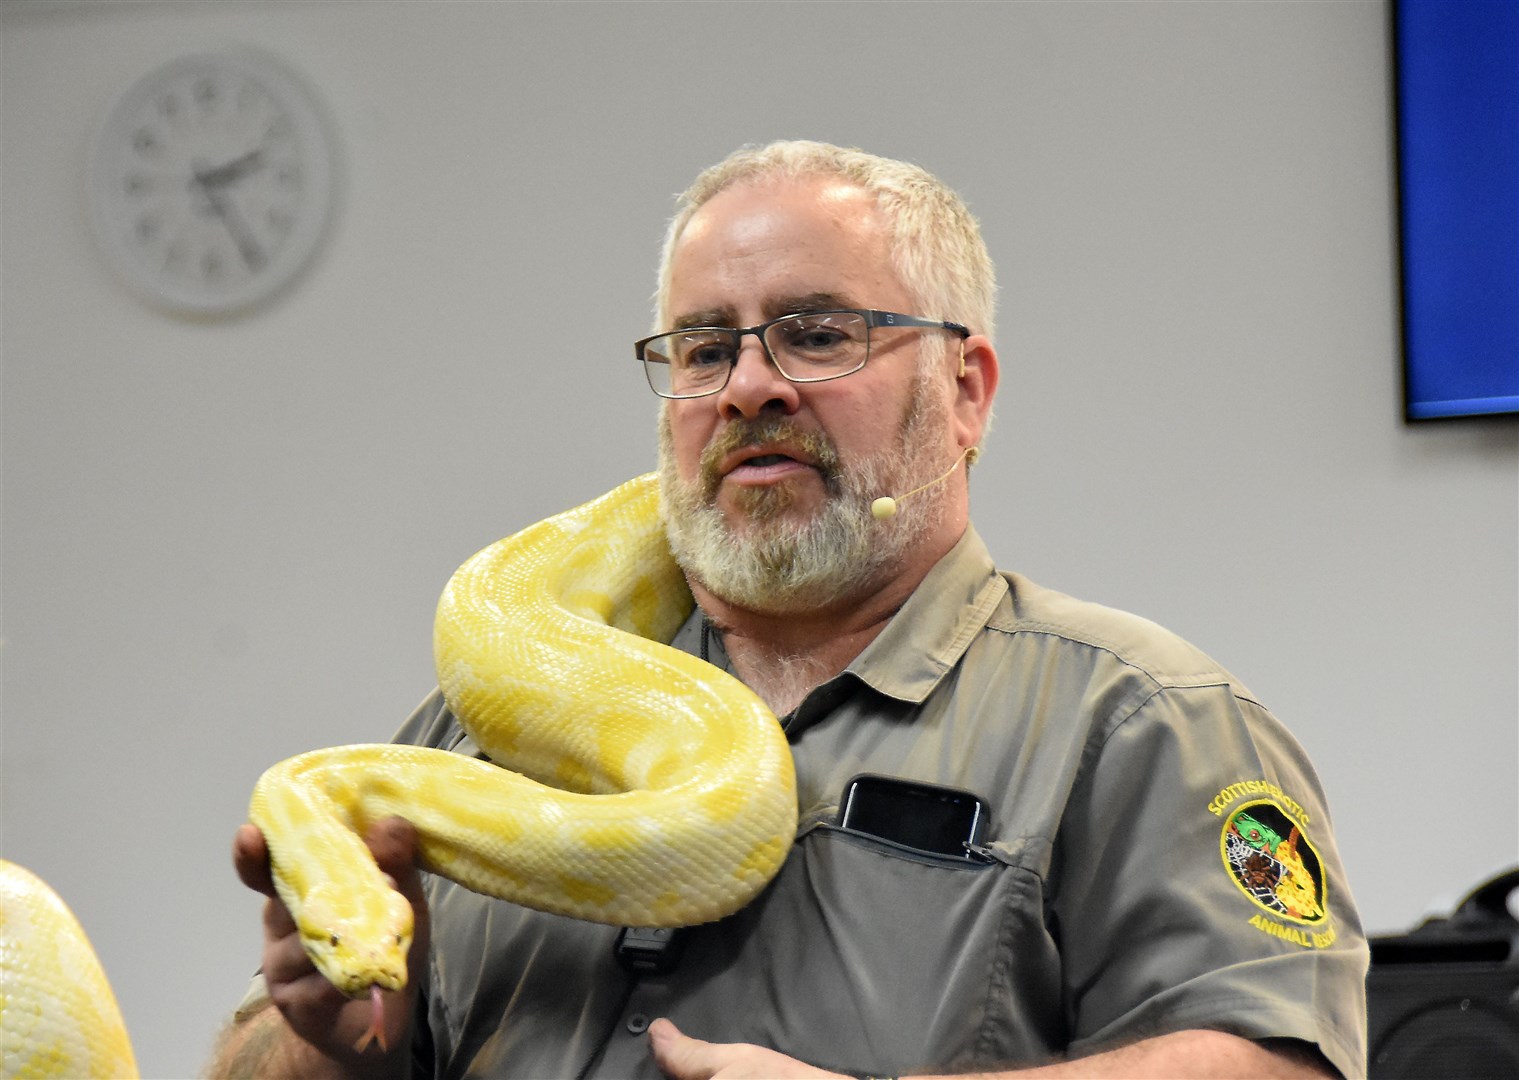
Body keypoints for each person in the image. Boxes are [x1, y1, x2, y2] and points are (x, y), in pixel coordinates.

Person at [210, 141, 1368, 1080]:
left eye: (817, 334)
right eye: (705, 347)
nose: (749, 385)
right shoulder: (482, 731)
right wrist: (335, 1047)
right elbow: (256, 1063)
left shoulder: (1136, 720)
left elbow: (1274, 1068)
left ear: (964, 392)